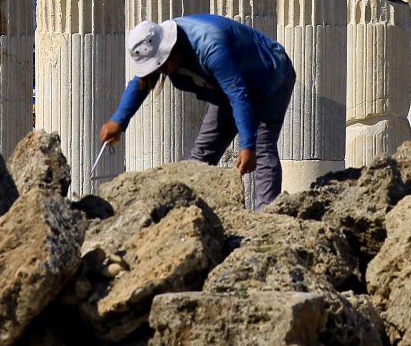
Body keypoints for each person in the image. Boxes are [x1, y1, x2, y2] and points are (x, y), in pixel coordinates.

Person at [98, 14, 297, 208]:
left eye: (159, 65)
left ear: (169, 50)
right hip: (225, 90)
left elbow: (238, 94)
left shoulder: (210, 46)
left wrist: (247, 146)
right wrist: (118, 121)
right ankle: (182, 210)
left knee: (261, 148)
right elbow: (141, 83)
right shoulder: (169, 55)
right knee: (202, 154)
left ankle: (267, 213)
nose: (159, 71)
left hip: (269, 77)